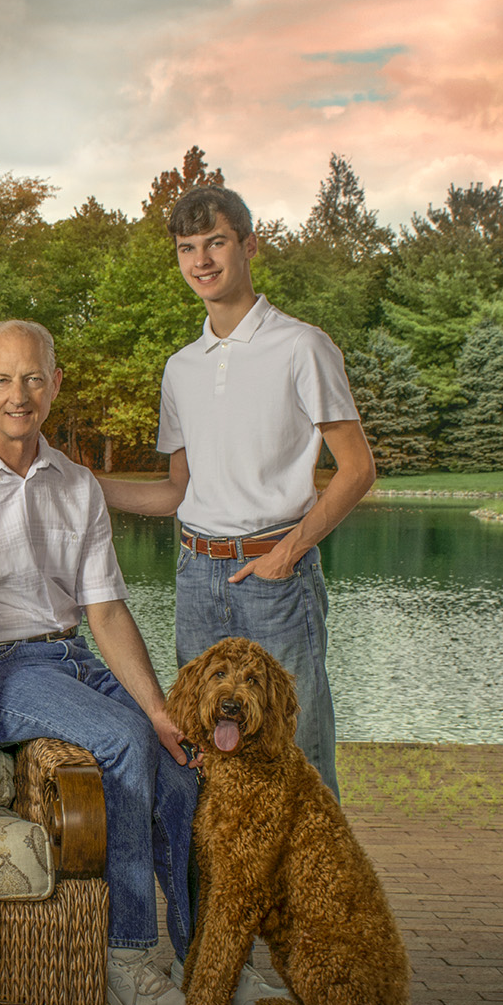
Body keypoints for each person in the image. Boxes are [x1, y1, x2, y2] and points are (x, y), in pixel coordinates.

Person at [0, 319, 216, 1005]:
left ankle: (207, 956)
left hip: (72, 656)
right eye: (4, 380)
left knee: (179, 762)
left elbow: (105, 611)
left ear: (55, 384)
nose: (20, 394)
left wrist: (164, 711)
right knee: (121, 740)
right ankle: (127, 953)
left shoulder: (77, 486)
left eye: (34, 378)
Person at [98, 186, 376, 800]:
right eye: (187, 248)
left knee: (296, 753)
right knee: (204, 759)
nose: (201, 260)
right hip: (196, 576)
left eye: (215, 242)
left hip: (275, 576)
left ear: (248, 246)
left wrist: (288, 553)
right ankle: (213, 900)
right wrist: (85, 482)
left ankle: (313, 896)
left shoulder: (302, 346)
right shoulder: (182, 367)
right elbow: (176, 492)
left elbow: (358, 469)